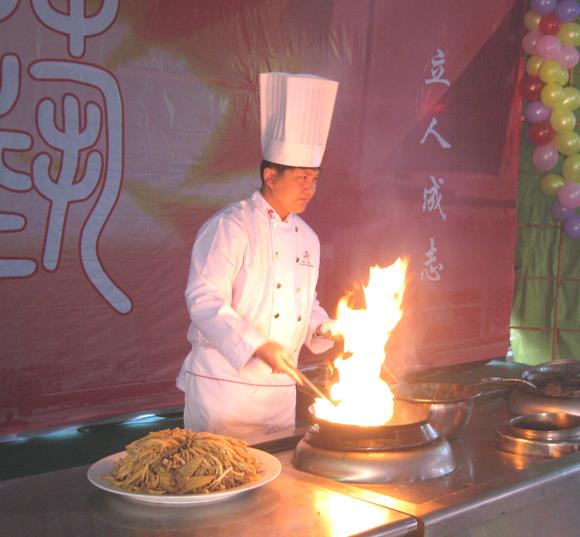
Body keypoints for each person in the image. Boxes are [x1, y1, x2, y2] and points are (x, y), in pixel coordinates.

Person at [176, 72, 339, 439]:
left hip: (278, 397)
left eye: (314, 178)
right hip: (224, 392)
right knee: (219, 471)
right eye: (301, 178)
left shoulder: (308, 239)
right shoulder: (230, 226)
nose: (310, 189)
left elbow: (304, 304)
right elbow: (204, 299)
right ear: (270, 175)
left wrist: (324, 327)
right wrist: (258, 345)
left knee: (277, 475)